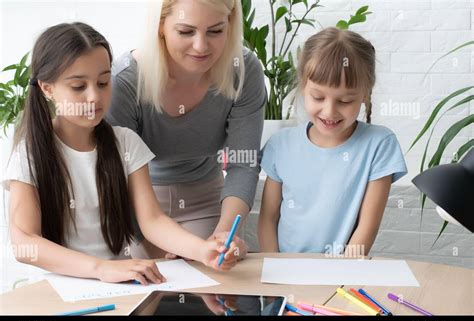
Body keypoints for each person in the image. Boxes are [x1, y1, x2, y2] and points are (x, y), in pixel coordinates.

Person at [2, 22, 242, 286]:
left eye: (103, 82)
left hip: (118, 286)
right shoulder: (30, 152)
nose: (95, 96)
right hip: (56, 289)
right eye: (79, 87)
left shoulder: (126, 143)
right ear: (47, 88)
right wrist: (100, 268)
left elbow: (152, 220)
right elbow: (25, 242)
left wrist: (202, 251)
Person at [106, 0, 264, 259]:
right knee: (151, 286)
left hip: (207, 196)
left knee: (212, 281)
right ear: (160, 27)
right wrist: (166, 246)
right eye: (186, 32)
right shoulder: (124, 82)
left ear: (231, 23)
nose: (201, 46)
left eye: (215, 31)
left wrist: (221, 238)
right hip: (139, 201)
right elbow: (117, 178)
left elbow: (242, 163)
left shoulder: (243, 71)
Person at [258, 27, 408, 256]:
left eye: (345, 100)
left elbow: (366, 228)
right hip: (284, 276)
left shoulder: (379, 145)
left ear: (365, 94)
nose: (329, 111)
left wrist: (340, 276)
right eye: (318, 97)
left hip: (342, 276)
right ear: (302, 86)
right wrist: (275, 268)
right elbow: (268, 218)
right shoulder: (280, 144)